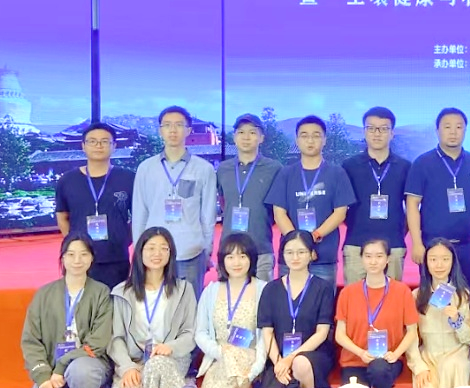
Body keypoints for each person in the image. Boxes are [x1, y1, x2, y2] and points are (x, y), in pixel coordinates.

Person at [20, 232, 113, 388]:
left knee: (81, 372)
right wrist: (43, 375)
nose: (77, 260)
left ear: (92, 258)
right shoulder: (44, 295)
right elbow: (31, 340)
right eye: (71, 254)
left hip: (88, 363)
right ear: (62, 258)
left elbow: (98, 342)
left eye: (84, 254)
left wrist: (62, 365)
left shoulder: (101, 293)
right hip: (52, 370)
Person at [109, 227, 198, 388]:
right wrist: (127, 367)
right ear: (139, 252)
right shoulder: (122, 292)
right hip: (135, 361)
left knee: (158, 364)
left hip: (171, 359)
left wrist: (171, 347)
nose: (157, 253)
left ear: (171, 253)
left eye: (164, 248)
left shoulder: (184, 289)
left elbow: (190, 333)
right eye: (151, 248)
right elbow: (116, 339)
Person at [131, 106, 217, 298]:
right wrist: (139, 249)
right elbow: (140, 213)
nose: (173, 130)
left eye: (179, 125)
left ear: (189, 130)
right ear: (160, 130)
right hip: (155, 252)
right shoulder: (146, 168)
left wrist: (207, 249)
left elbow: (208, 214)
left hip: (191, 251)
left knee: (190, 305)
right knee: (155, 304)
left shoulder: (204, 169)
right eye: (167, 125)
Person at [265, 115, 355, 282]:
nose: (310, 140)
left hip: (324, 257)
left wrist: (314, 237)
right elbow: (279, 214)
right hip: (291, 257)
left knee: (323, 299)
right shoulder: (286, 173)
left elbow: (340, 213)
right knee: (288, 299)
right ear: (297, 140)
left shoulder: (337, 173)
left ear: (325, 140)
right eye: (304, 135)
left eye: (316, 135)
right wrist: (299, 245)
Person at [405, 107, 470, 285]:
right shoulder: (422, 163)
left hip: (467, 246)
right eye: (447, 127)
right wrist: (417, 243)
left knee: (466, 294)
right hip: (433, 246)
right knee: (435, 296)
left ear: (465, 130)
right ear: (437, 131)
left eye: (459, 127)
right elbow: (412, 204)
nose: (453, 132)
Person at [335, 239, 420, 388]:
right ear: (361, 259)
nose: (373, 261)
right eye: (368, 256)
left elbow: (412, 331)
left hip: (388, 360)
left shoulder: (402, 291)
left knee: (379, 368)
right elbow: (339, 334)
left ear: (388, 259)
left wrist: (396, 354)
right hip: (355, 361)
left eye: (379, 256)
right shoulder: (348, 293)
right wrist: (361, 353)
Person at [54, 122, 136, 289]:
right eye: (92, 141)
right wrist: (75, 244)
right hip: (80, 259)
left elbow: (139, 215)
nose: (99, 145)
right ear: (83, 146)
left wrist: (124, 239)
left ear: (114, 146)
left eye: (105, 141)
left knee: (115, 301)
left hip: (116, 257)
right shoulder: (67, 180)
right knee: (81, 302)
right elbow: (62, 216)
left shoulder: (128, 178)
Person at [256, 229, 337, 388]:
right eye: (289, 252)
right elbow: (267, 332)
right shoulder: (271, 289)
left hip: (314, 353)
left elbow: (322, 333)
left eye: (301, 252)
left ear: (312, 254)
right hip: (279, 355)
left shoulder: (323, 288)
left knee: (301, 363)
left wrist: (291, 358)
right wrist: (279, 362)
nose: (295, 257)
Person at [195, 232, 267, 388]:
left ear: (251, 259)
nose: (236, 262)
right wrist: (219, 351)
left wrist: (256, 367)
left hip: (251, 357)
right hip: (219, 357)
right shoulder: (211, 291)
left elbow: (267, 335)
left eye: (242, 256)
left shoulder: (263, 290)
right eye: (230, 257)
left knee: (236, 355)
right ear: (222, 260)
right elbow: (200, 333)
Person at [342, 106, 411, 283]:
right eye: (371, 128)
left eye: (383, 128)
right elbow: (341, 208)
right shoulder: (349, 166)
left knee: (391, 297)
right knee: (355, 297)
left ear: (392, 133)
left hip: (393, 245)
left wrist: (401, 231)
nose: (377, 133)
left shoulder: (405, 167)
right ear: (364, 132)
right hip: (356, 244)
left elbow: (411, 207)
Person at [407, 240, 470, 388]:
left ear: (453, 262)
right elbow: (411, 338)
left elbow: (469, 339)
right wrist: (419, 366)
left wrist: (457, 320)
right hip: (429, 356)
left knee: (453, 366)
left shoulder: (463, 295)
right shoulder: (416, 296)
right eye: (433, 259)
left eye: (445, 259)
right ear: (426, 263)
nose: (439, 265)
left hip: (457, 353)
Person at [216, 114, 282, 281]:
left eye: (252, 132)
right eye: (241, 132)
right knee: (228, 295)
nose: (246, 137)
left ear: (261, 138)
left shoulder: (274, 168)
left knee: (261, 296)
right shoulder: (223, 169)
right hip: (229, 249)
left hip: (261, 249)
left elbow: (278, 208)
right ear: (234, 137)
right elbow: (223, 201)